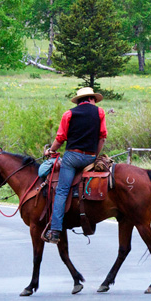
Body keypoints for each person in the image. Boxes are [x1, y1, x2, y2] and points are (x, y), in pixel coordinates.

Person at [43, 87, 108, 243]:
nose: (95, 103)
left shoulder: (69, 114)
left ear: (79, 101)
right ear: (91, 99)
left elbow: (60, 138)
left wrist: (50, 151)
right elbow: (102, 137)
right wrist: (95, 156)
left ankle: (55, 231)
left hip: (72, 157)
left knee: (62, 191)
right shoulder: (99, 113)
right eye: (94, 100)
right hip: (90, 157)